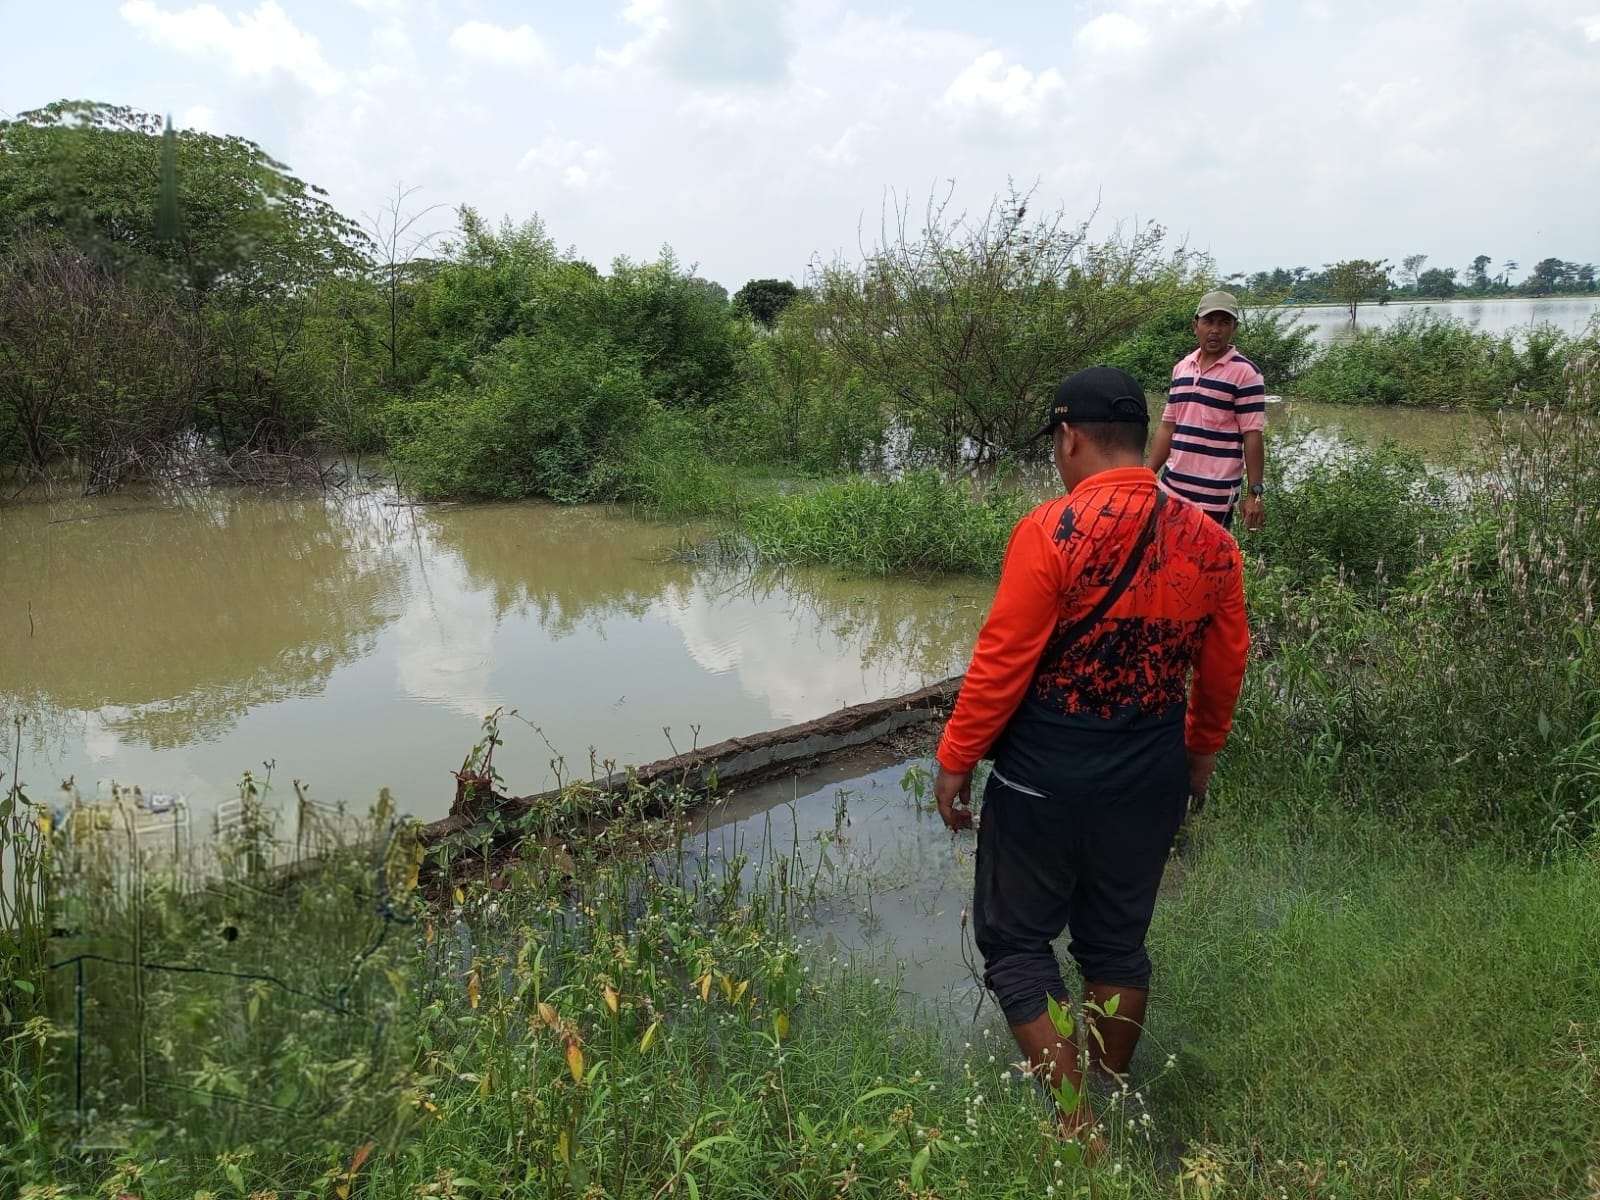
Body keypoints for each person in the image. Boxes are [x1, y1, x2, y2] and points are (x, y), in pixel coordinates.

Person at [932, 364, 1250, 1147]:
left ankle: (1079, 1126)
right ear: (1143, 439)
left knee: (1015, 944)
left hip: (1046, 777)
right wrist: (1199, 757)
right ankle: (1114, 1095)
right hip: (1150, 775)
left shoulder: (1051, 530)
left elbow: (1002, 659)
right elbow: (1224, 665)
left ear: (1069, 436)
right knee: (1116, 942)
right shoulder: (1214, 545)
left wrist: (956, 756)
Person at [1148, 290, 1267, 532]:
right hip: (1171, 490)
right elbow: (1168, 426)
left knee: (1207, 567)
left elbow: (1252, 435)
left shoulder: (1246, 374)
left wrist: (1254, 493)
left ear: (1234, 327)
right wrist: (1147, 475)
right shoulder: (1182, 368)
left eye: (1224, 323)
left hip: (1215, 498)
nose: (1215, 329)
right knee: (1165, 561)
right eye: (1208, 322)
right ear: (1195, 325)